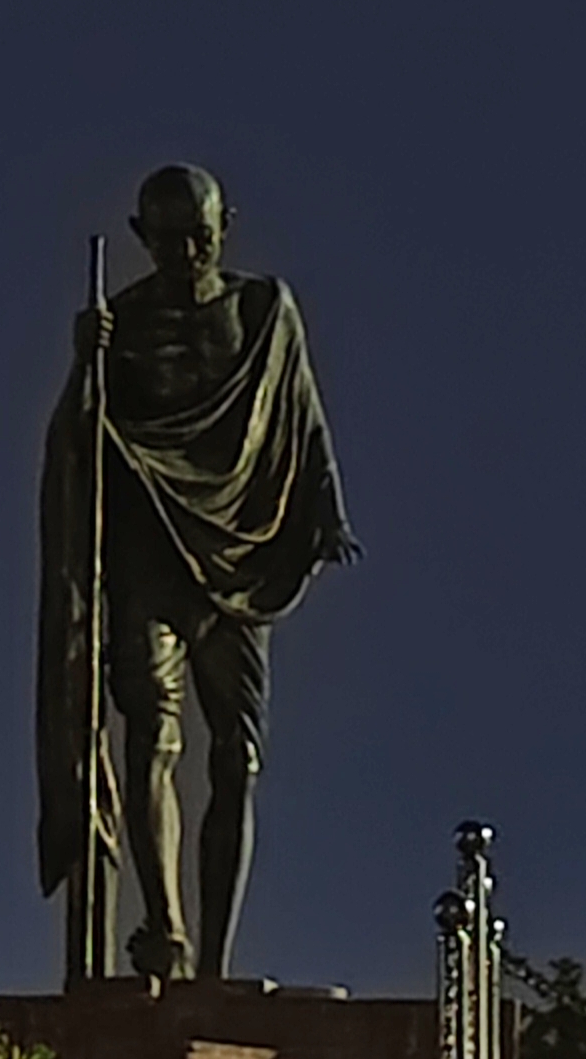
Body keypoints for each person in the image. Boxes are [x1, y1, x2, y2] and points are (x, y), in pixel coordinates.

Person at [35, 163, 358, 981]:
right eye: (168, 239)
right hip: (150, 556)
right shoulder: (122, 325)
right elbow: (79, 443)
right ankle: (165, 931)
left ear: (226, 227)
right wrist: (84, 365)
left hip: (242, 556)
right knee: (152, 731)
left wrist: (326, 509)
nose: (185, 254)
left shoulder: (264, 310)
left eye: (201, 237)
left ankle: (215, 966)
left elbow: (301, 417)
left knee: (237, 757)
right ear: (141, 237)